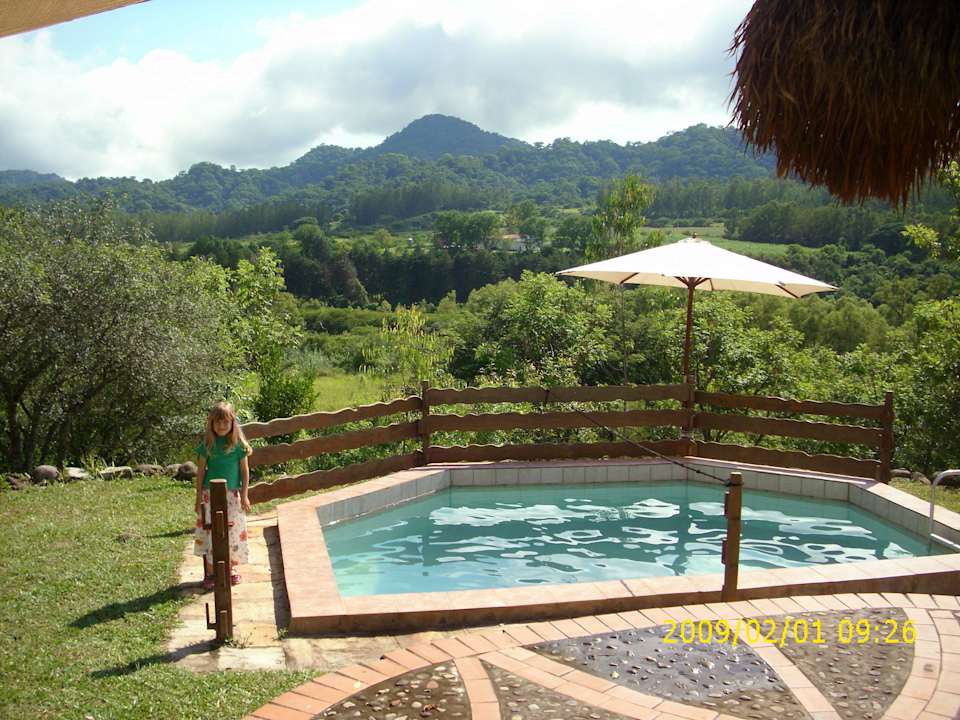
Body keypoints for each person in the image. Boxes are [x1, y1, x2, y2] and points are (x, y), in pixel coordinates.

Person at [193, 401, 252, 591]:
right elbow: (201, 472)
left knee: (232, 531)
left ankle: (230, 568)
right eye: (218, 422)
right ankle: (211, 572)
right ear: (211, 423)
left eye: (225, 422)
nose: (221, 426)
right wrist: (198, 497)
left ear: (232, 423)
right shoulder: (207, 445)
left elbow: (244, 472)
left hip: (232, 495)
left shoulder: (238, 446)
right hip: (210, 495)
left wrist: (244, 495)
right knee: (212, 530)